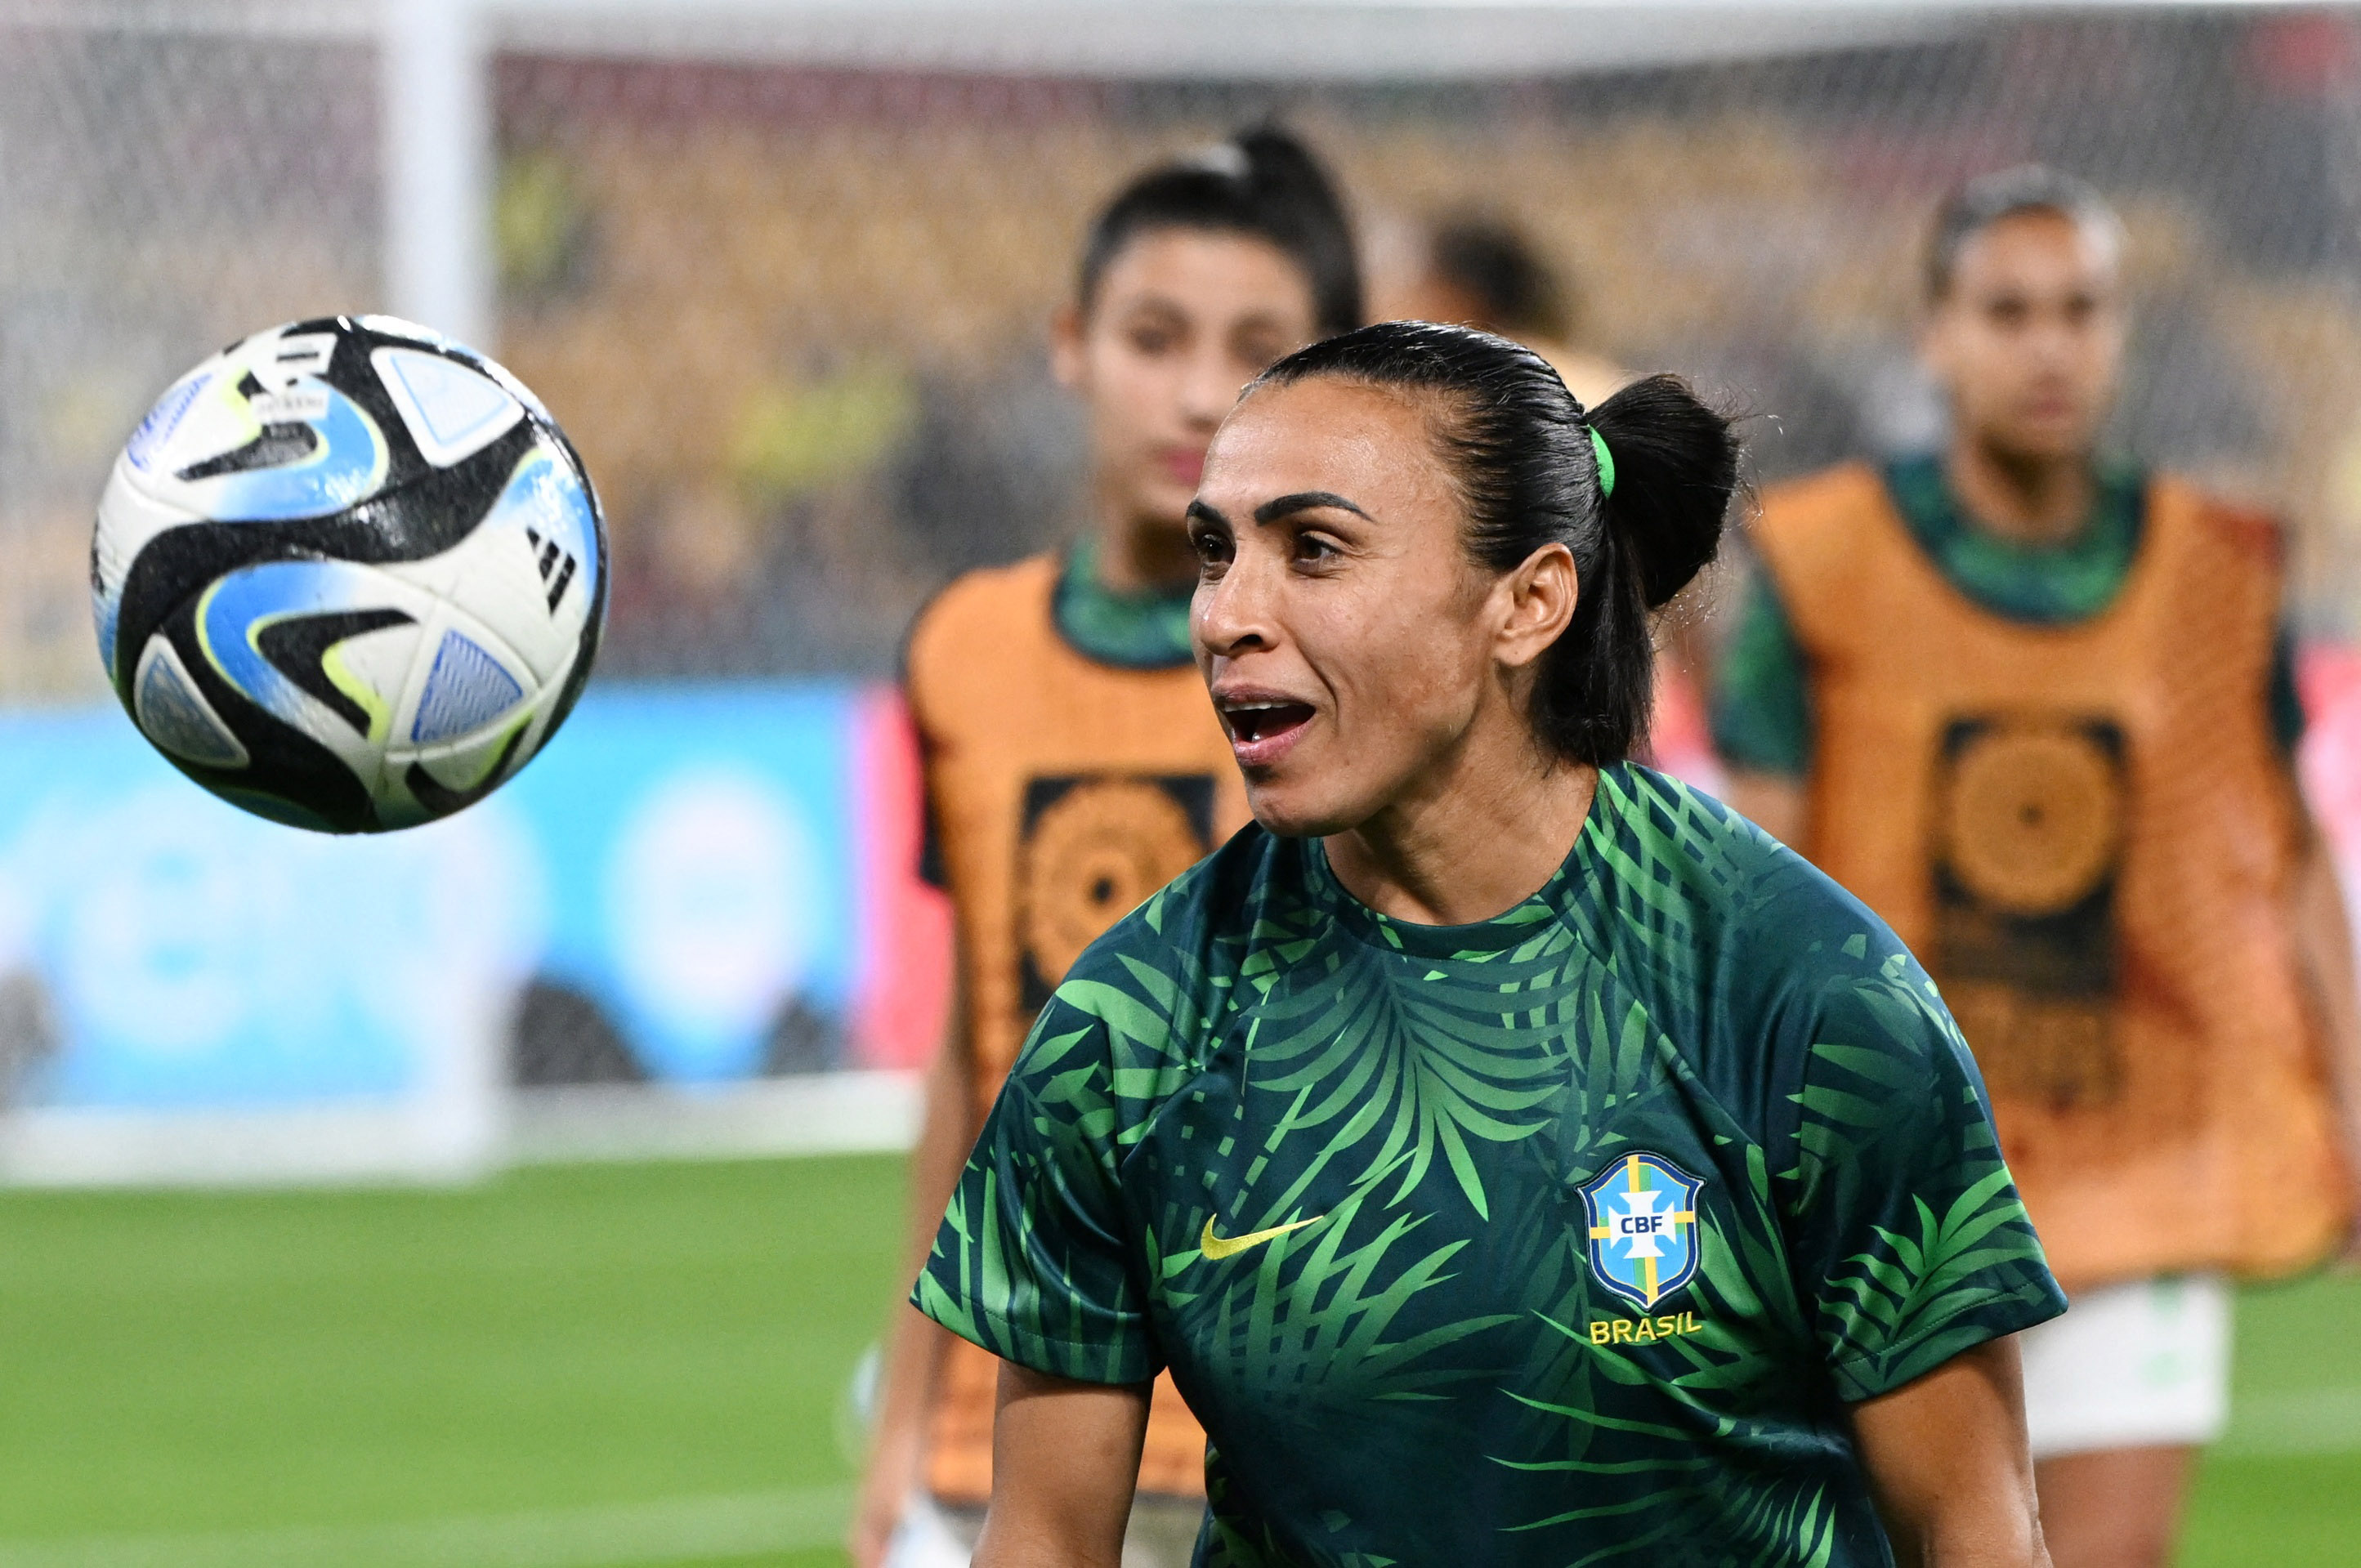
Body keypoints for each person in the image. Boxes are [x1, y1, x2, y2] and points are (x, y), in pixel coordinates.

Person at [914, 320, 2065, 1566]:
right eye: (1215, 550)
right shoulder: (1131, 1029)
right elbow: (1041, 1537)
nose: (1226, 615)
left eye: (1313, 549)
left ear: (1528, 600)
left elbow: (1973, 1528)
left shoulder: (1806, 998)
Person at [1710, 167, 2361, 1568]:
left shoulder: (2210, 568)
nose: (2046, 344)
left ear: (2117, 333)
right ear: (1932, 334)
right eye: (2004, 309)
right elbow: (1750, 873)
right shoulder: (1824, 567)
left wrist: (2351, 1097)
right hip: (1892, 1163)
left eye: (2077, 309)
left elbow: (2288, 852)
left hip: (2137, 1144)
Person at [851, 126, 1363, 1568]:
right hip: (998, 1417)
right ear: (1070, 344)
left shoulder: (1364, 663)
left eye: (1253, 345)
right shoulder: (964, 647)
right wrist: (902, 1414)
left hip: (1271, 1437)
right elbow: (972, 1050)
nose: (1198, 389)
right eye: (1153, 336)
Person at [1375, 211, 1623, 407]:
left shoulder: (1473, 386)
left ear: (1450, 296)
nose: (1388, 297)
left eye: (1412, 284)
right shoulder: (1591, 378)